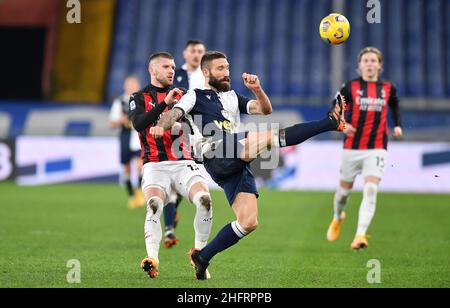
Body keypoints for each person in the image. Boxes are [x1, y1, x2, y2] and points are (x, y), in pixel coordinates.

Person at [151, 51, 346, 279]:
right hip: (216, 152)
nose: (226, 73)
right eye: (220, 69)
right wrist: (160, 126)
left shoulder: (232, 96)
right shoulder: (194, 96)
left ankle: (202, 257)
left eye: (227, 68)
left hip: (235, 160)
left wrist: (257, 89)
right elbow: (173, 113)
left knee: (248, 221)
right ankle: (330, 121)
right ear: (206, 72)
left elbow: (265, 110)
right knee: (267, 137)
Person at [129, 52, 213, 279]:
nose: (171, 71)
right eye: (166, 66)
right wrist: (164, 105)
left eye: (173, 67)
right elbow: (138, 124)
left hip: (184, 163)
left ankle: (200, 258)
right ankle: (152, 259)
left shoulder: (184, 96)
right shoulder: (139, 97)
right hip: (155, 165)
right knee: (155, 203)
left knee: (205, 200)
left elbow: (199, 123)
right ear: (152, 70)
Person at [326, 47, 403, 251]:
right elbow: (334, 109)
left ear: (380, 65)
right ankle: (337, 217)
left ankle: (360, 235)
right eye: (366, 61)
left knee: (370, 188)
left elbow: (395, 105)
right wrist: (343, 125)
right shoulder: (350, 87)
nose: (369, 64)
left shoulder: (388, 88)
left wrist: (397, 125)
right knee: (342, 194)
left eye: (373, 60)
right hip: (352, 148)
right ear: (359, 66)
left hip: (377, 147)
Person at [162, 39, 207, 248]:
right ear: (185, 53)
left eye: (200, 51)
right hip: (178, 132)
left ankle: (174, 210)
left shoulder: (207, 76)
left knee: (187, 178)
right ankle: (169, 230)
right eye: (193, 51)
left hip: (200, 133)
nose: (196, 54)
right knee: (173, 180)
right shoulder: (174, 75)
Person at [109, 75, 145, 209]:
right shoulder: (119, 101)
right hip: (125, 136)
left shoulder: (142, 99)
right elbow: (111, 124)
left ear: (137, 86)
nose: (130, 87)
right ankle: (131, 195)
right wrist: (120, 120)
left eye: (133, 84)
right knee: (127, 168)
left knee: (140, 166)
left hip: (139, 135)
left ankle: (140, 193)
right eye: (128, 84)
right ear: (125, 86)